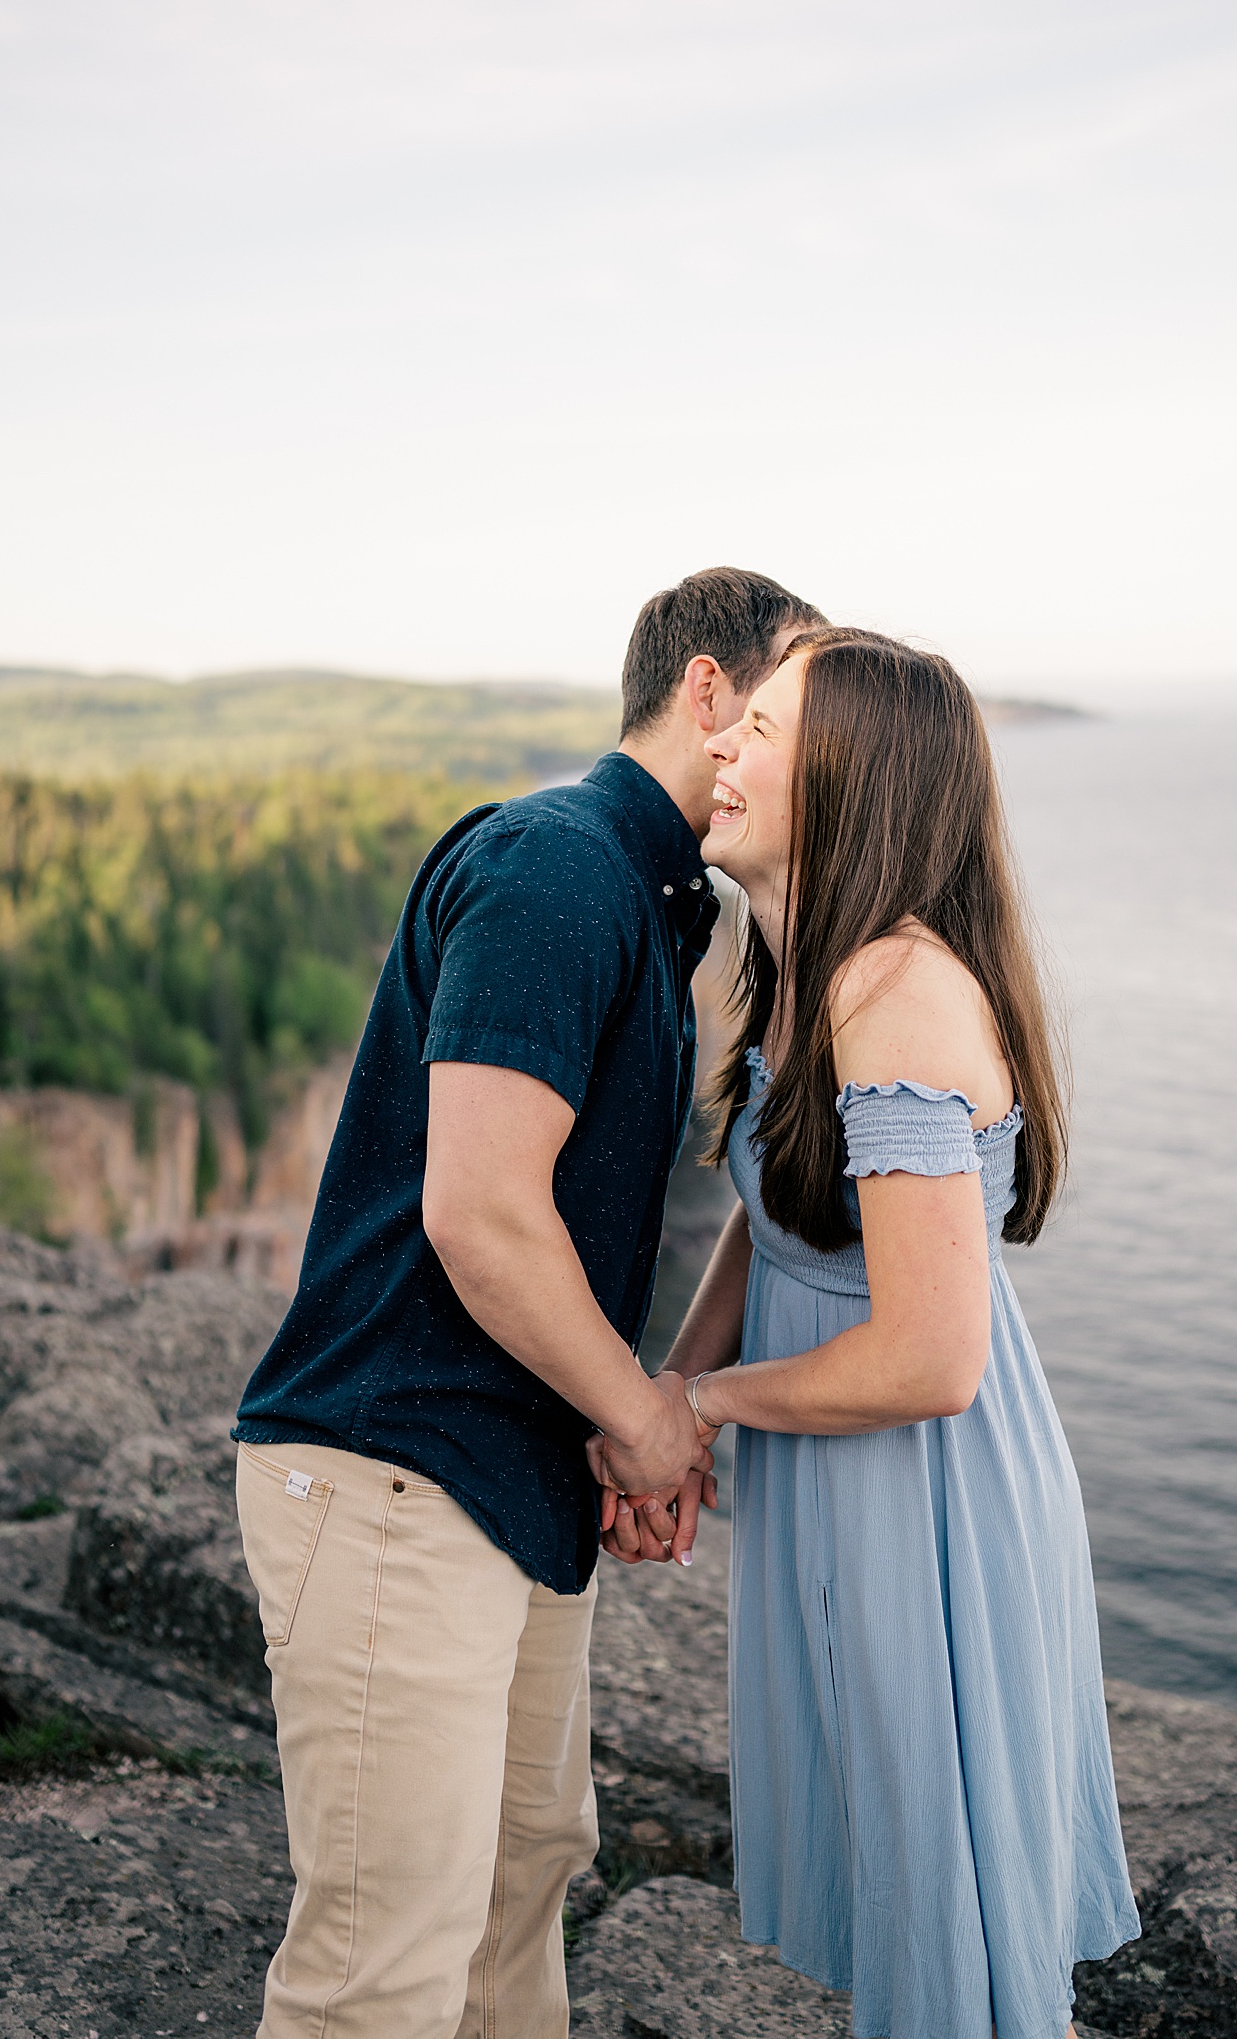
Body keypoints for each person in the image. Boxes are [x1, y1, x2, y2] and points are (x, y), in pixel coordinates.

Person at [232, 566, 823, 2039]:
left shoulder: (667, 907)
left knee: (517, 1902)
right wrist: (647, 1418)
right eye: (785, 701)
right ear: (706, 692)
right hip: (396, 1473)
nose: (802, 742)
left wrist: (631, 1418)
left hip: (508, 1484)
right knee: (382, 1978)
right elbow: (482, 1214)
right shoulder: (559, 864)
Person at [595, 627, 1141, 2039]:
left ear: (853, 780)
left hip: (924, 1494)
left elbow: (927, 1359)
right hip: (841, 1467)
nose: (720, 744)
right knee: (903, 1892)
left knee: (950, 1941)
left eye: (761, 731)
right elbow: (777, 1210)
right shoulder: (800, 967)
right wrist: (677, 1383)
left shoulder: (891, 994)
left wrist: (699, 1415)